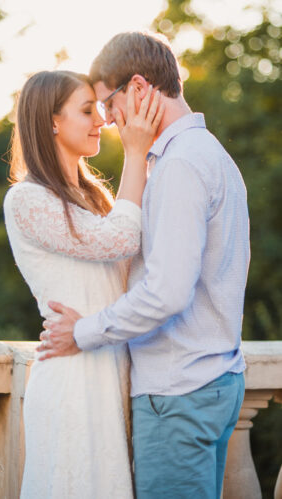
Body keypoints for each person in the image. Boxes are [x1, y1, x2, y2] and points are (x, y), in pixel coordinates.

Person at [38, 32, 251, 499]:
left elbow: (168, 291)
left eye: (108, 104)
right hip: (213, 381)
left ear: (138, 87)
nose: (108, 120)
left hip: (178, 393)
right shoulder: (208, 152)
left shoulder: (179, 166)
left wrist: (83, 331)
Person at [3, 69, 164, 498]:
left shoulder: (95, 198)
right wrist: (136, 152)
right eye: (88, 110)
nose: (102, 121)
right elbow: (122, 238)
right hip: (73, 381)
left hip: (112, 367)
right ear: (52, 121)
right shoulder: (26, 198)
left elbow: (136, 262)